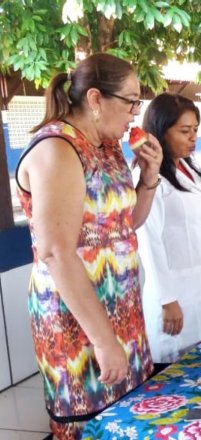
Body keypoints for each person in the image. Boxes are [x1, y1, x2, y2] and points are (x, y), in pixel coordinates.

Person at [14, 53, 162, 439]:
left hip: (121, 309)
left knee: (130, 418)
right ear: (95, 98)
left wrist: (148, 178)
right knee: (90, 423)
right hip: (77, 319)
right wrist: (102, 339)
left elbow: (125, 225)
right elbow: (56, 252)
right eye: (130, 101)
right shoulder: (57, 148)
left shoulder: (108, 146)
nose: (135, 112)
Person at [136, 93, 201, 366]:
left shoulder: (185, 169)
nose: (193, 138)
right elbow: (148, 239)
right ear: (160, 132)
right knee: (178, 378)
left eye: (195, 130)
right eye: (184, 131)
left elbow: (196, 222)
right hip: (176, 294)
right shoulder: (149, 177)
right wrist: (167, 299)